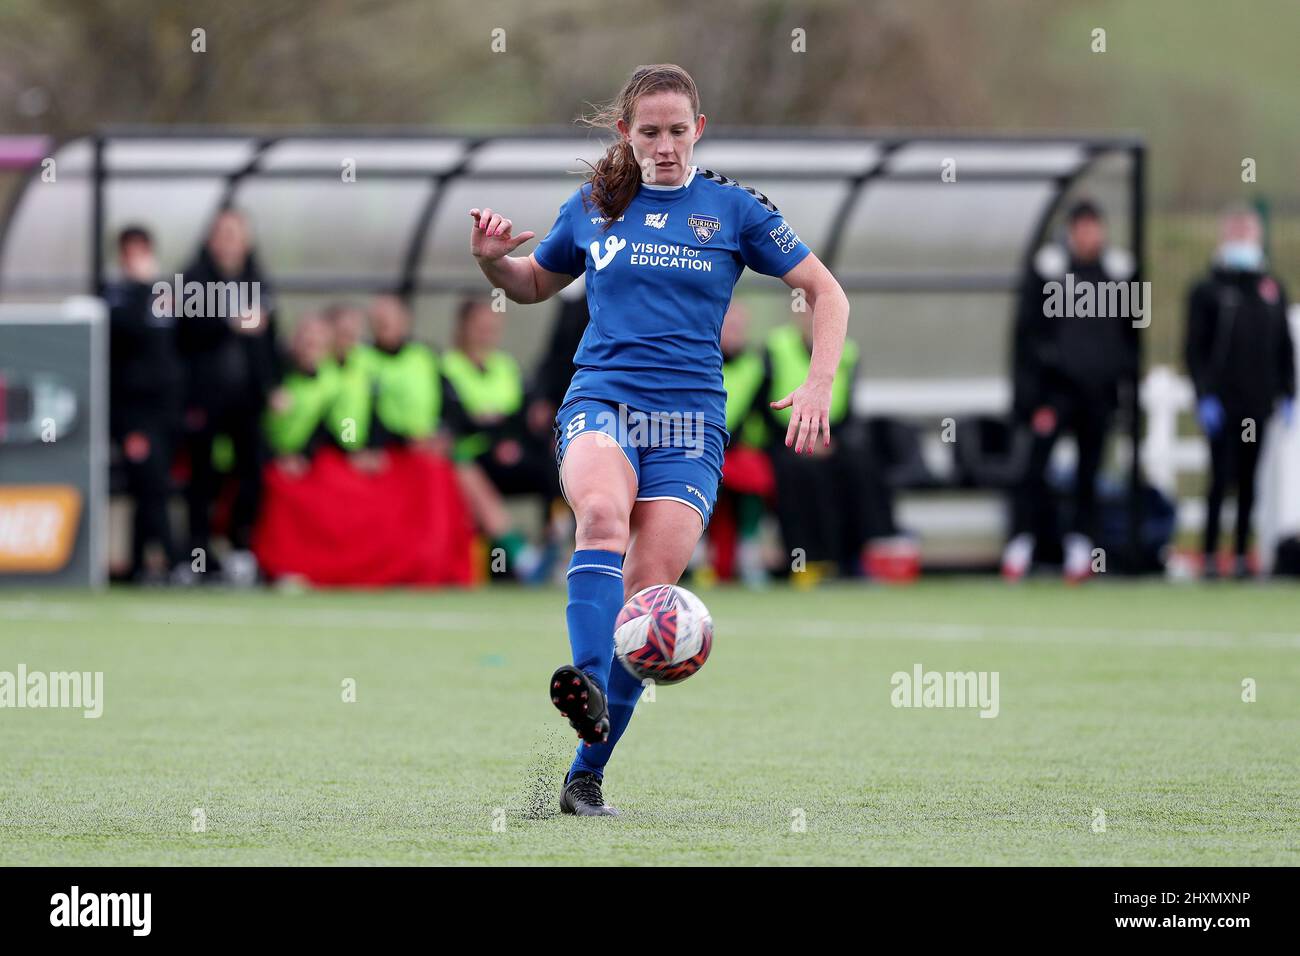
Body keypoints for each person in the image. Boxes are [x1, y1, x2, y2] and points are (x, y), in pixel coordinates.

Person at [469, 63, 849, 816]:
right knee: (601, 519)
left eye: (678, 130)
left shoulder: (735, 210)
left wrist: (818, 381)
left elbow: (825, 290)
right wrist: (492, 263)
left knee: (648, 607)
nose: (666, 145)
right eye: (651, 132)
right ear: (627, 135)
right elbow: (535, 284)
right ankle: (584, 683)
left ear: (698, 130)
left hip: (689, 424)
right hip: (602, 401)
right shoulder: (593, 208)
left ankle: (585, 777)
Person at [1003, 199, 1137, 582]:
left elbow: (1130, 341)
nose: (1089, 235)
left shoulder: (1121, 274)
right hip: (1055, 397)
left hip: (1098, 397)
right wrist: (1033, 400)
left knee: (1089, 474)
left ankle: (1081, 552)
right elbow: (1026, 342)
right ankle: (1024, 545)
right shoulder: (1047, 272)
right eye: (1082, 227)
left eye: (1095, 227)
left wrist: (1125, 395)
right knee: (1033, 469)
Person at [1185, 205, 1296, 578]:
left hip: (1258, 402)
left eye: (1247, 235)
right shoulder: (1208, 290)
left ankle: (1241, 556)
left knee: (1250, 482)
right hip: (1223, 404)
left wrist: (1288, 390)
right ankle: (1212, 554)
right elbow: (1195, 349)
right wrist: (1204, 396)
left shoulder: (1271, 289)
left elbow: (1283, 345)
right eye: (1236, 235)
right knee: (1220, 479)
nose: (1242, 242)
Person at [176, 208, 279, 585]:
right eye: (222, 233)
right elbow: (186, 332)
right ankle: (197, 558)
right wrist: (230, 321)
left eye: (235, 233)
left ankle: (240, 551)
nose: (228, 240)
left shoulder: (259, 283)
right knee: (201, 478)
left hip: (246, 400)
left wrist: (272, 388)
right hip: (204, 398)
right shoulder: (193, 281)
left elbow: (268, 342)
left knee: (252, 474)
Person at [441, 297, 560, 581]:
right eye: (480, 325)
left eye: (491, 325)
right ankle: (523, 558)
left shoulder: (506, 366)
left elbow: (521, 415)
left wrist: (501, 430)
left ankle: (555, 547)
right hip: (471, 456)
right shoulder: (447, 366)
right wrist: (492, 430)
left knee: (554, 466)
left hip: (509, 454)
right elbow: (455, 418)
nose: (487, 332)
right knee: (467, 471)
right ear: (464, 327)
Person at [104, 225, 183, 583]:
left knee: (149, 485)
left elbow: (180, 342)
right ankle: (175, 560)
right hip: (131, 413)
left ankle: (137, 567)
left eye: (141, 250)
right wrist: (144, 288)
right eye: (129, 251)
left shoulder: (167, 293)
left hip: (165, 411)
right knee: (151, 484)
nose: (135, 258)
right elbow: (126, 330)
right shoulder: (114, 295)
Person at [263, 313, 339, 475]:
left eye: (316, 345)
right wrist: (275, 456)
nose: (309, 351)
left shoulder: (331, 380)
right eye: (305, 341)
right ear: (294, 340)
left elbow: (327, 425)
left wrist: (354, 445)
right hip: (259, 459)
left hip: (296, 459)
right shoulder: (272, 373)